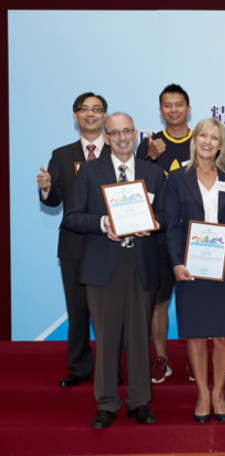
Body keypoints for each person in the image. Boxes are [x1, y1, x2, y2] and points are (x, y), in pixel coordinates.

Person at [63, 112, 165, 429]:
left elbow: (165, 214)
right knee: (106, 339)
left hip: (141, 263)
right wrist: (104, 223)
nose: (122, 138)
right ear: (105, 138)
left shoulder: (154, 173)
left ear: (136, 134)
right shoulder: (90, 172)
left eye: (127, 131)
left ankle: (139, 402)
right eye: (115, 133)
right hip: (103, 267)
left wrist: (155, 224)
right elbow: (72, 217)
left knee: (138, 336)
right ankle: (106, 404)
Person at [165, 118, 225, 422]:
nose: (208, 142)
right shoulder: (177, 179)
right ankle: (202, 392)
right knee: (196, 334)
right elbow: (172, 225)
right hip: (191, 266)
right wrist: (176, 262)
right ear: (195, 139)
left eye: (215, 137)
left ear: (222, 143)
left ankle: (219, 391)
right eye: (204, 135)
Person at [37, 92, 108, 388]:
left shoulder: (119, 151)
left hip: (110, 242)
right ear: (75, 116)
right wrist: (45, 188)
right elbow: (54, 202)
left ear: (104, 115)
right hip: (74, 243)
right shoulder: (62, 155)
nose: (91, 114)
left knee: (107, 312)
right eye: (84, 110)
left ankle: (109, 369)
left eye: (97, 109)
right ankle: (79, 367)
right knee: (78, 309)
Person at [135, 83, 193, 384]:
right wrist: (149, 158)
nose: (173, 110)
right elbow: (136, 192)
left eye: (179, 104)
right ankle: (161, 359)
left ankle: (196, 361)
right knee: (159, 301)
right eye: (167, 105)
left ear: (188, 108)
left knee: (197, 298)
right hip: (157, 235)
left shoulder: (203, 141)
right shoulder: (149, 145)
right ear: (160, 111)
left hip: (194, 235)